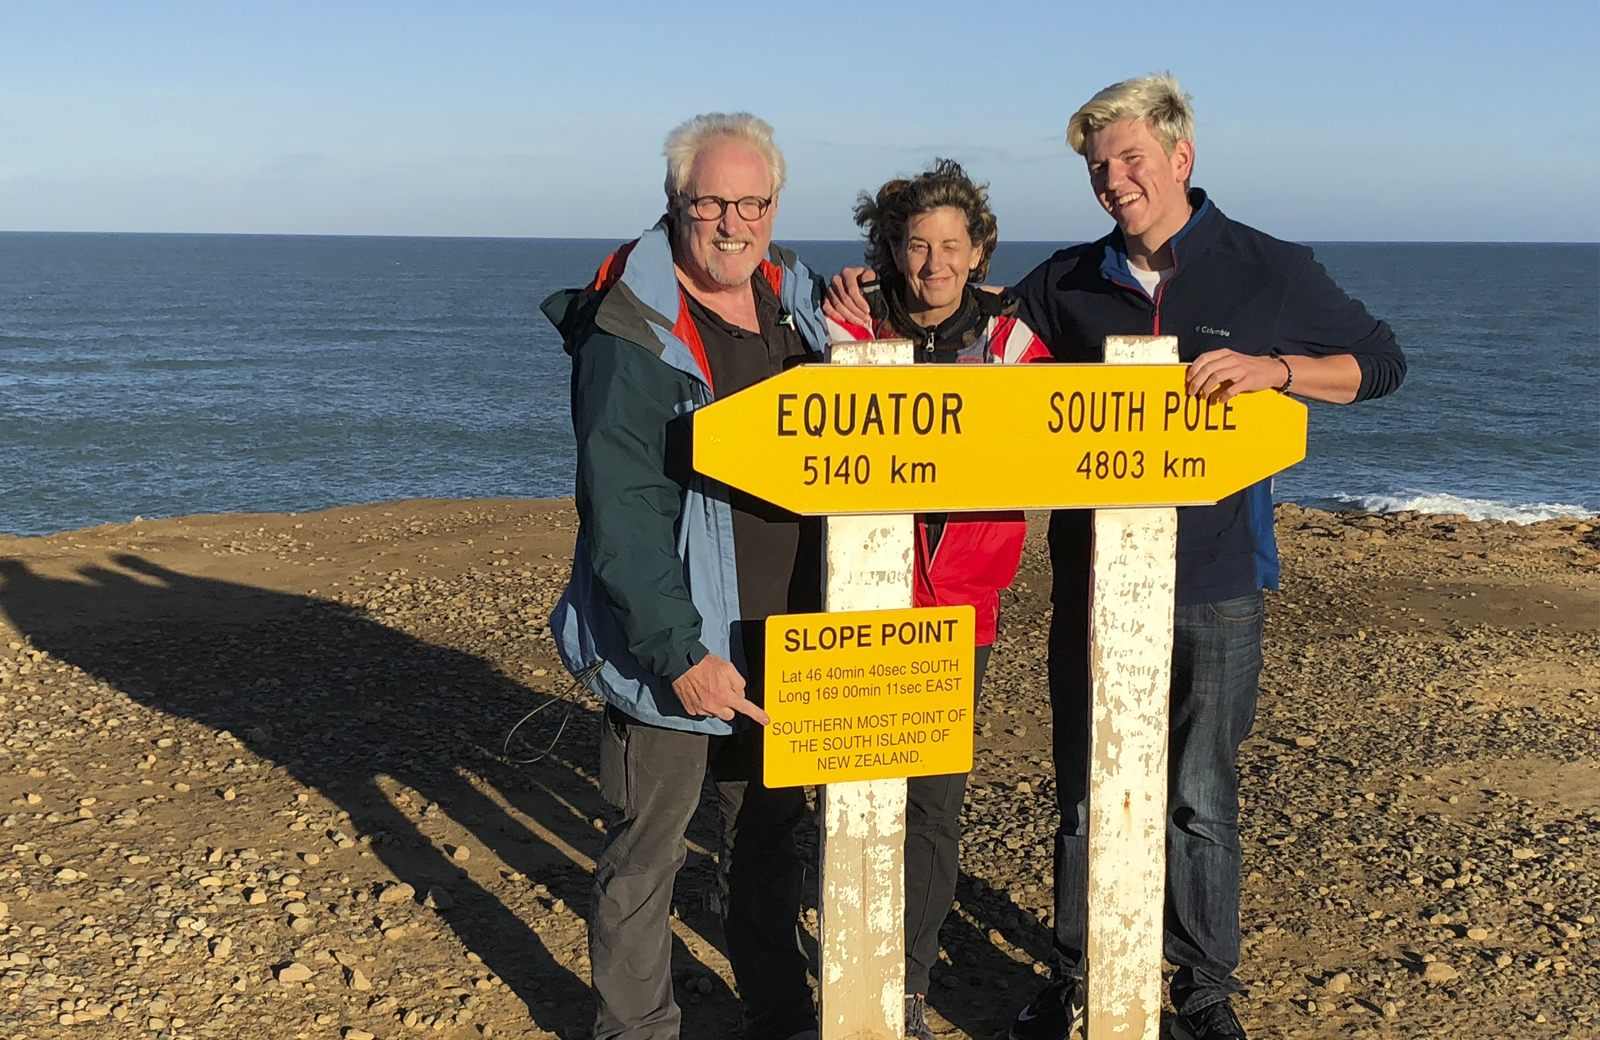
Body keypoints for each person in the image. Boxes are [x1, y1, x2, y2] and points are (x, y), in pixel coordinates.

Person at [827, 74, 1406, 1040]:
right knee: (1085, 791)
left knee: (1199, 795)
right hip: (1090, 580)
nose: (1115, 180)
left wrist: (1280, 372)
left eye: (1131, 158)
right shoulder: (1069, 280)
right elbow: (972, 326)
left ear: (1182, 157)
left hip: (1217, 583)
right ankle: (1078, 973)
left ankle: (1202, 988)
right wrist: (871, 293)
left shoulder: (1269, 268)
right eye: (1099, 166)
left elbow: (1380, 363)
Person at [542, 112, 831, 1040]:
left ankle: (780, 1015)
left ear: (776, 205)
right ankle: (636, 1030)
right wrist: (680, 650)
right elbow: (620, 510)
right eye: (711, 201)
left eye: (753, 201)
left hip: (785, 627)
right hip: (682, 640)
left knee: (769, 842)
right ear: (676, 204)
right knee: (647, 851)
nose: (733, 221)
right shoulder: (631, 327)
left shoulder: (800, 301)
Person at [825, 158, 1047, 1040]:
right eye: (917, 245)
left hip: (962, 609)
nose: (935, 263)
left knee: (932, 805)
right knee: (849, 790)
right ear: (891, 251)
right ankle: (851, 972)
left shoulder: (1014, 340)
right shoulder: (846, 322)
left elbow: (1056, 441)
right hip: (853, 598)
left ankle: (908, 987)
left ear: (979, 250)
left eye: (952, 245)